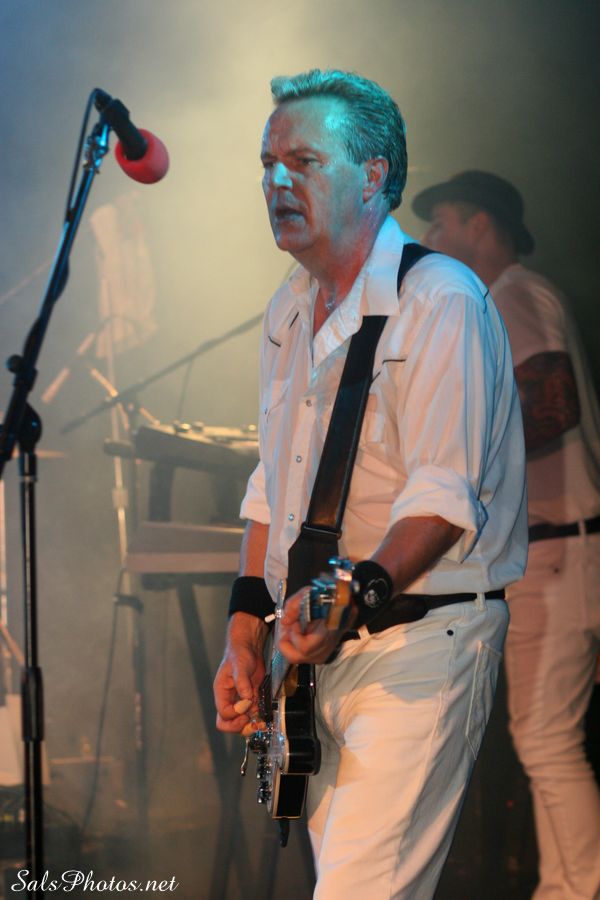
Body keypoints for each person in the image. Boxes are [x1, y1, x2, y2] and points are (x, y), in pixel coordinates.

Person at [213, 74, 527, 899]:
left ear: (374, 175)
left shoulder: (441, 298)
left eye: (305, 161)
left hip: (419, 643)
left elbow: (443, 498)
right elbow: (272, 485)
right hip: (313, 654)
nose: (278, 181)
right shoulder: (287, 310)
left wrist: (345, 597)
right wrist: (245, 625)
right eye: (268, 164)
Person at [413, 170, 600, 900]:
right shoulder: (514, 297)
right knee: (546, 739)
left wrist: (459, 456)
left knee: (547, 740)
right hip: (560, 548)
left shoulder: (514, 295)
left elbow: (552, 404)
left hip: (559, 550)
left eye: (441, 223)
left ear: (480, 227)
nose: (430, 239)